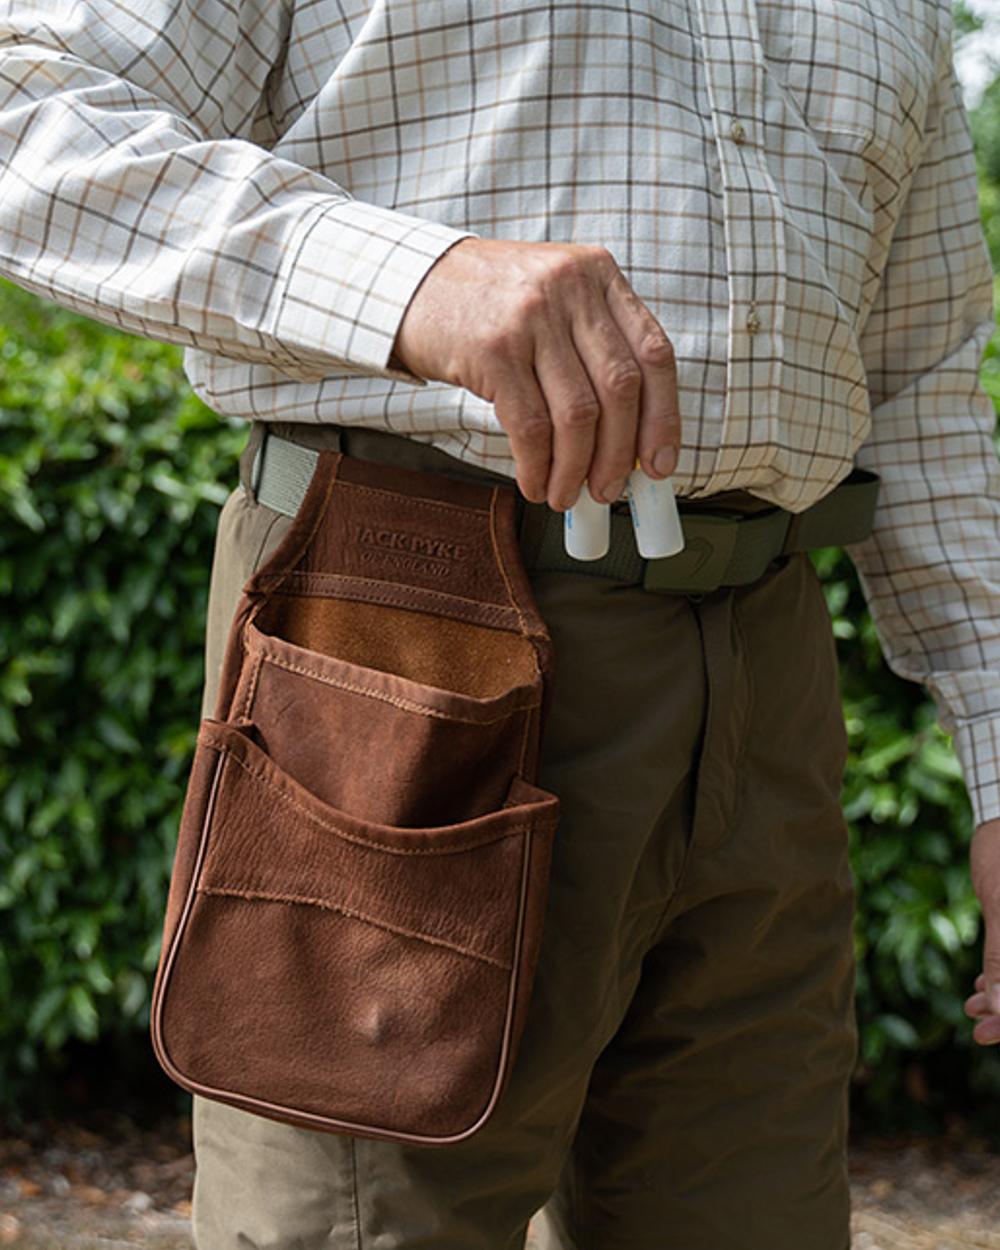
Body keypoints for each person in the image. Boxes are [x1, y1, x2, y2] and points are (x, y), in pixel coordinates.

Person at [1, 0, 999, 1246]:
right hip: (406, 623)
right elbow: (22, 110)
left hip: (767, 673)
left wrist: (996, 765)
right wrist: (416, 278)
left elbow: (922, 380)